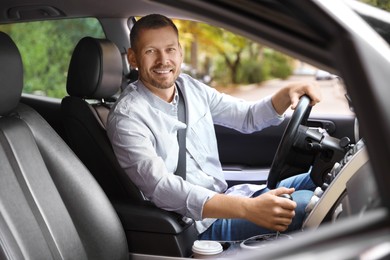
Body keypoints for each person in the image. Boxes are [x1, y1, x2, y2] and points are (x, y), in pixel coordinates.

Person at [107, 14, 322, 241]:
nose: (163, 60)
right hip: (198, 225)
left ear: (180, 52)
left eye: (170, 49)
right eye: (151, 51)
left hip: (229, 197)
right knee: (307, 203)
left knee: (319, 175)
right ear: (133, 58)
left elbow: (247, 116)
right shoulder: (127, 118)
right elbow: (162, 187)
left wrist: (287, 93)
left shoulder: (190, 87)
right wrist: (248, 208)